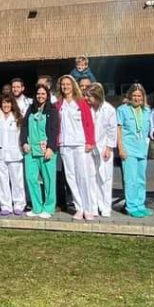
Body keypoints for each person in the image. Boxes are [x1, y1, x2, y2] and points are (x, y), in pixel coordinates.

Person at [56, 74, 96, 221]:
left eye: (68, 84)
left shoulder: (81, 103)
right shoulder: (58, 104)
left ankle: (88, 208)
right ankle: (79, 208)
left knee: (83, 176)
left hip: (80, 144)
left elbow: (89, 123)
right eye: (63, 84)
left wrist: (90, 141)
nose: (65, 87)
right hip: (65, 144)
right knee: (70, 177)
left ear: (73, 86)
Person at [20, 84, 59, 219]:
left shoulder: (52, 111)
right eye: (38, 94)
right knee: (31, 178)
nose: (40, 96)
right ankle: (37, 207)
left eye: (43, 94)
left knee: (49, 180)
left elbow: (54, 130)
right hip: (31, 150)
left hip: (46, 150)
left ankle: (48, 208)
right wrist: (24, 142)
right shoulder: (30, 109)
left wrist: (51, 148)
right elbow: (24, 127)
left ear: (47, 96)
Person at [116, 84, 152, 218]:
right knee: (130, 179)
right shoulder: (122, 110)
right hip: (128, 149)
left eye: (139, 96)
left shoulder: (147, 110)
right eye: (134, 95)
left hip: (142, 149)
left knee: (141, 179)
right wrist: (121, 148)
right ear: (130, 96)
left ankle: (140, 204)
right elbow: (118, 130)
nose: (137, 98)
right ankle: (131, 206)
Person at [0, 94, 25, 216]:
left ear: (12, 104)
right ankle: (6, 206)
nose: (6, 105)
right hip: (0, 152)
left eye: (8, 103)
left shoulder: (18, 117)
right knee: (2, 181)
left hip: (15, 153)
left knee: (17, 181)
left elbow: (23, 134)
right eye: (4, 103)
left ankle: (19, 204)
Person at [86, 83, 117, 218]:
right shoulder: (87, 109)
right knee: (91, 177)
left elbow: (112, 130)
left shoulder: (109, 109)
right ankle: (93, 207)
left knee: (105, 178)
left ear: (97, 96)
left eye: (90, 96)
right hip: (89, 147)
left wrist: (109, 147)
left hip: (104, 147)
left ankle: (105, 207)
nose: (87, 99)